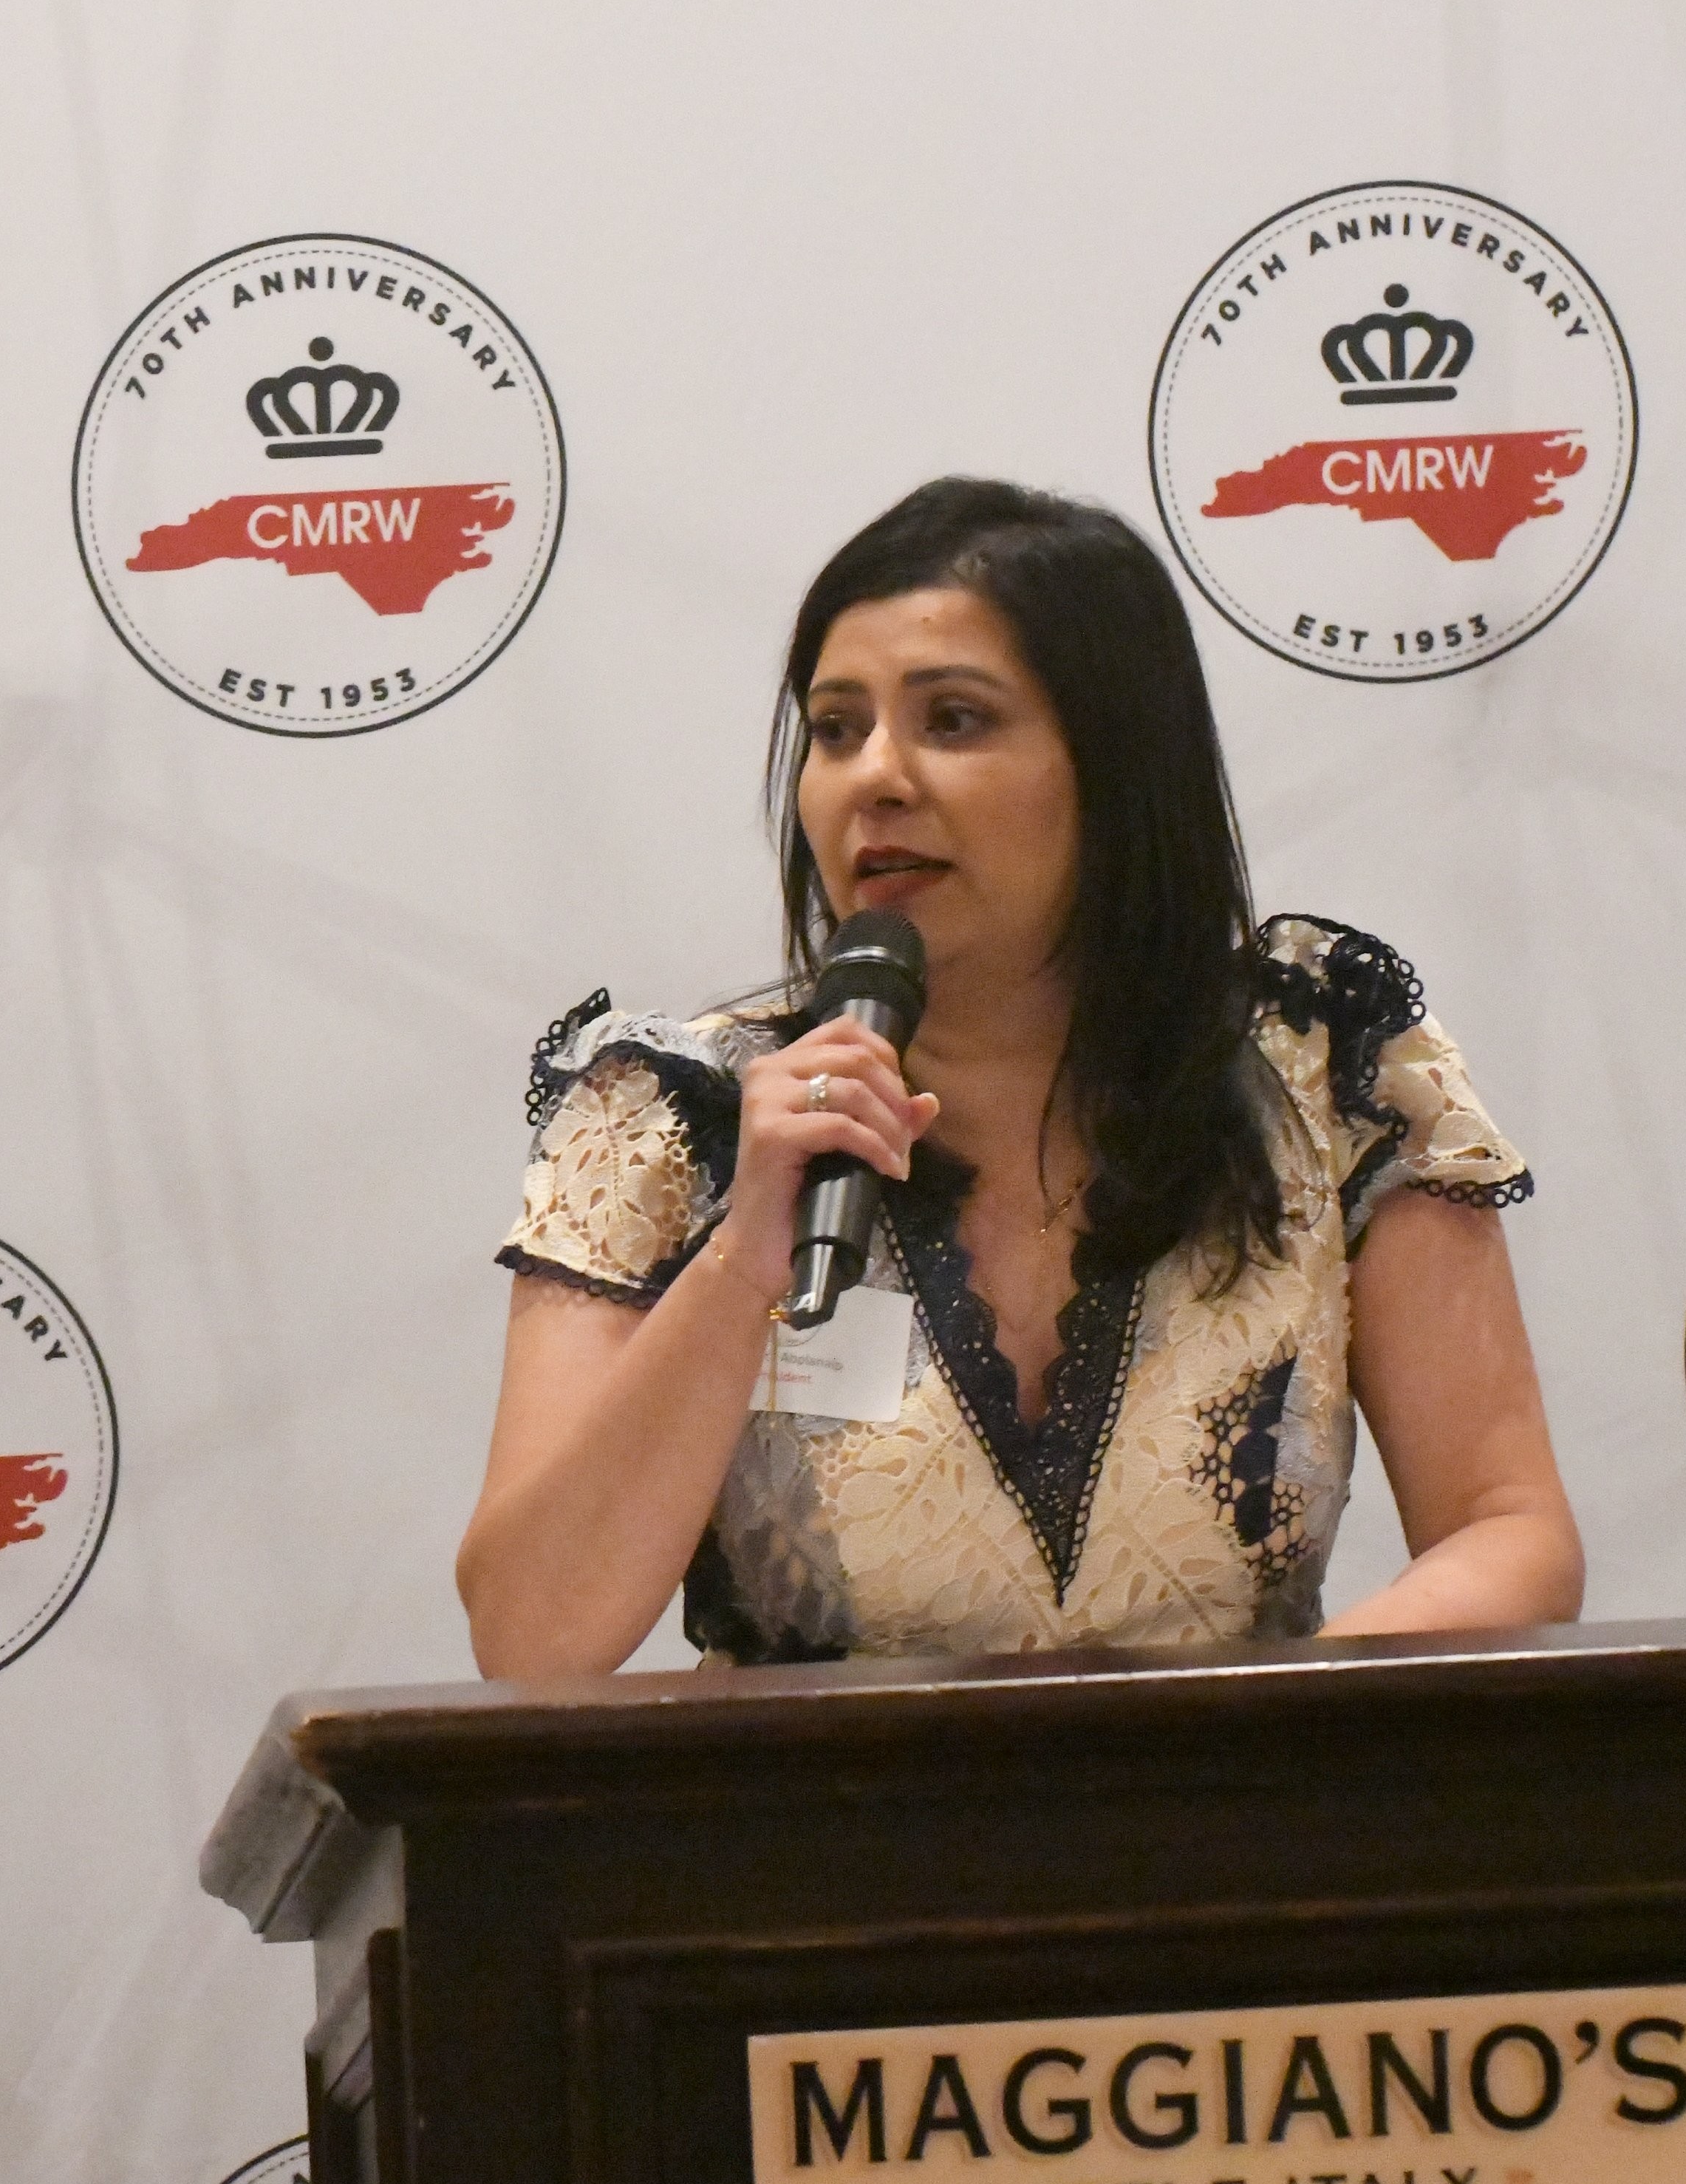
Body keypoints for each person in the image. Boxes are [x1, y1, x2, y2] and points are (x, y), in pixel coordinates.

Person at [460, 477, 1583, 1674]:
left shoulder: (1323, 1066)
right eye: (836, 729)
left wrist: (1248, 1733)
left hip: (1245, 1791)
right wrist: (743, 1257)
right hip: (817, 1798)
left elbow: (1507, 1531)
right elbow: (531, 1638)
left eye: (953, 720)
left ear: (1116, 766)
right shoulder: (672, 1115)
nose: (876, 777)